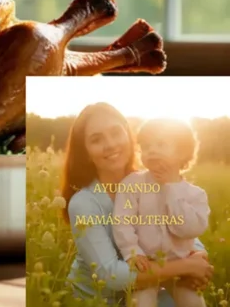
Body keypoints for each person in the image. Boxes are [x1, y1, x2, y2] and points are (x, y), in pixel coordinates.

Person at [60, 102, 214, 306]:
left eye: (116, 133)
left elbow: (175, 226)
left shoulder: (150, 180)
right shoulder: (84, 203)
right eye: (96, 140)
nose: (111, 144)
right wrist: (186, 266)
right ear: (86, 152)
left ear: (129, 135)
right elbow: (111, 274)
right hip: (100, 299)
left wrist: (198, 255)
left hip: (150, 284)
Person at [113, 118, 210, 307]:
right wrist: (132, 252)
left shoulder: (195, 194)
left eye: (161, 144)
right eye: (146, 146)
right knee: (140, 303)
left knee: (193, 302)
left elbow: (189, 229)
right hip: (146, 264)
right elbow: (122, 222)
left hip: (181, 267)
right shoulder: (132, 184)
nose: (152, 150)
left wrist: (172, 188)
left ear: (182, 153)